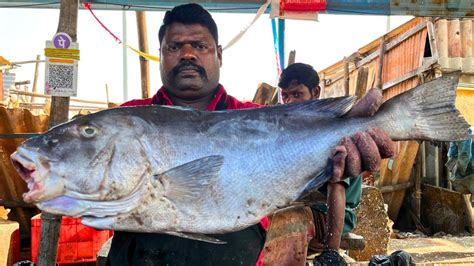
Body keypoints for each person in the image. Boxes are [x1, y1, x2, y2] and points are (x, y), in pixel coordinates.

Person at [106, 3, 394, 265]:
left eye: (200, 45)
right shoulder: (124, 121)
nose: (188, 54)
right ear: (160, 55)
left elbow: (325, 171)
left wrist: (346, 151)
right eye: (174, 47)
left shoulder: (262, 121)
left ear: (218, 54)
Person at [279, 63, 363, 263]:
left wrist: (331, 252)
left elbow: (337, 189)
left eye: (297, 94)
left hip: (332, 213)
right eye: (285, 96)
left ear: (315, 92)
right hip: (303, 206)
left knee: (285, 223)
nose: (290, 102)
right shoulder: (296, 132)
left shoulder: (333, 131)